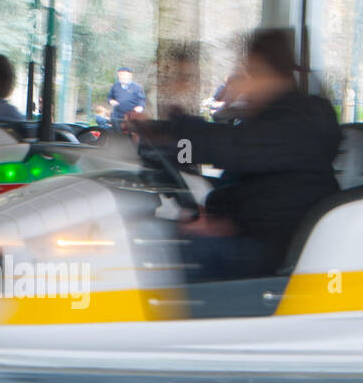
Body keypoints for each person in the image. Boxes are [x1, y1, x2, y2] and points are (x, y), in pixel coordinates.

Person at [128, 29, 340, 282]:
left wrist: (166, 132)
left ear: (265, 71)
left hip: (277, 252)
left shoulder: (302, 121)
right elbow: (205, 156)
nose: (238, 84)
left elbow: (226, 148)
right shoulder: (268, 121)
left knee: (153, 260)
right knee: (153, 239)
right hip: (257, 236)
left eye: (246, 73)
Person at [107, 66, 146, 130]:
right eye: (120, 75)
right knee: (117, 136)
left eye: (123, 74)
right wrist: (110, 101)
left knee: (130, 136)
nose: (121, 76)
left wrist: (140, 107)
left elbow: (141, 100)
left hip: (131, 117)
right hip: (117, 116)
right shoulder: (115, 86)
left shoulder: (137, 87)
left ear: (130, 76)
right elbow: (109, 97)